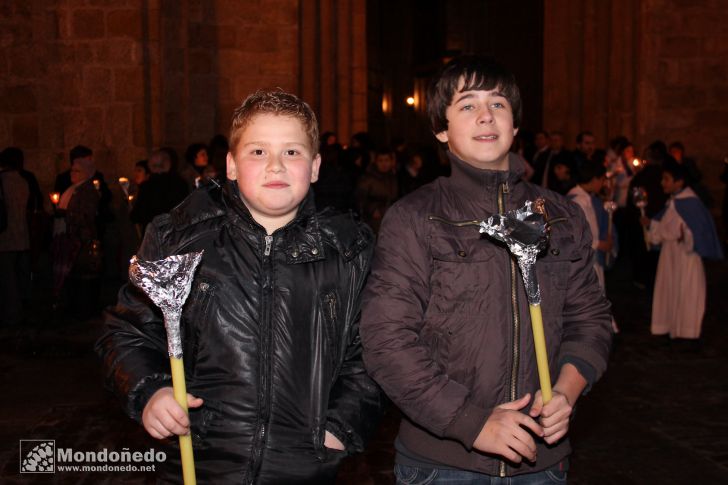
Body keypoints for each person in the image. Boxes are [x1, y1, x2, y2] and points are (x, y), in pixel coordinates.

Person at [96, 90, 382, 484]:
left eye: (293, 153)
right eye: (258, 152)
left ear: (315, 167)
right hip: (198, 462)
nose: (276, 166)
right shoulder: (179, 238)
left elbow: (374, 351)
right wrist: (150, 391)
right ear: (231, 165)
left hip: (302, 466)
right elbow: (127, 330)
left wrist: (338, 428)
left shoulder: (349, 251)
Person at [360, 55, 612, 483]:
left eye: (498, 104)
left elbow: (590, 319)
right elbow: (386, 341)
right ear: (441, 129)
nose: (485, 116)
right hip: (445, 464)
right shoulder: (417, 217)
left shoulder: (560, 215)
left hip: (541, 461)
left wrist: (566, 394)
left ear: (515, 126)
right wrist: (471, 421)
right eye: (467, 105)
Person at [641, 161, 723, 343]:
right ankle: (670, 326)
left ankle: (687, 331)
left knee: (685, 291)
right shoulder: (673, 202)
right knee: (670, 289)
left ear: (679, 182)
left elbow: (698, 231)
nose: (663, 183)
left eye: (667, 179)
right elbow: (664, 228)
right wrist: (651, 225)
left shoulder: (691, 204)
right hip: (669, 255)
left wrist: (685, 236)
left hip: (686, 256)